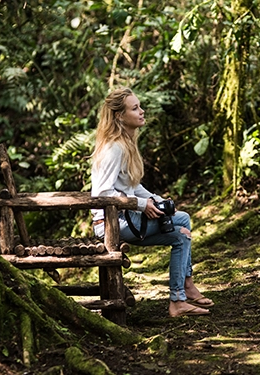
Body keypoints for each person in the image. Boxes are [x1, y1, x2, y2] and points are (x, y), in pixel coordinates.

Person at [90, 87, 213, 317]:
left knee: (181, 233)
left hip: (124, 217)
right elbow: (101, 193)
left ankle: (180, 297)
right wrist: (140, 205)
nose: (141, 111)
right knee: (183, 222)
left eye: (140, 106)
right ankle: (182, 293)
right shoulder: (114, 147)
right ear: (119, 116)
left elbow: (132, 187)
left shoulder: (125, 143)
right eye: (135, 108)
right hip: (111, 223)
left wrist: (155, 200)